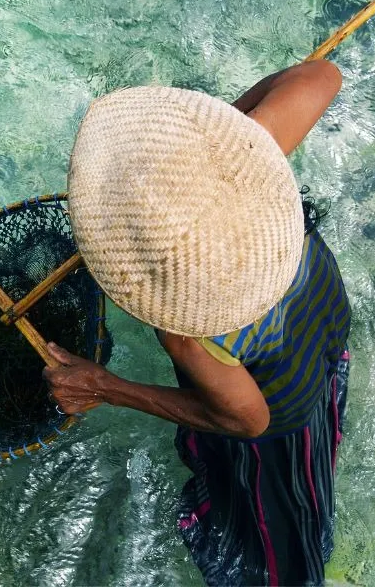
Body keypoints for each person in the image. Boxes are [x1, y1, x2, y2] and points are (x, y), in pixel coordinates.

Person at [43, 60, 351, 586]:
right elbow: (325, 76)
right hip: (319, 317)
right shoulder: (260, 151)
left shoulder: (183, 330)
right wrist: (226, 149)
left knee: (274, 539)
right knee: (321, 410)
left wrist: (106, 387)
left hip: (279, 411)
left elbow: (247, 421)